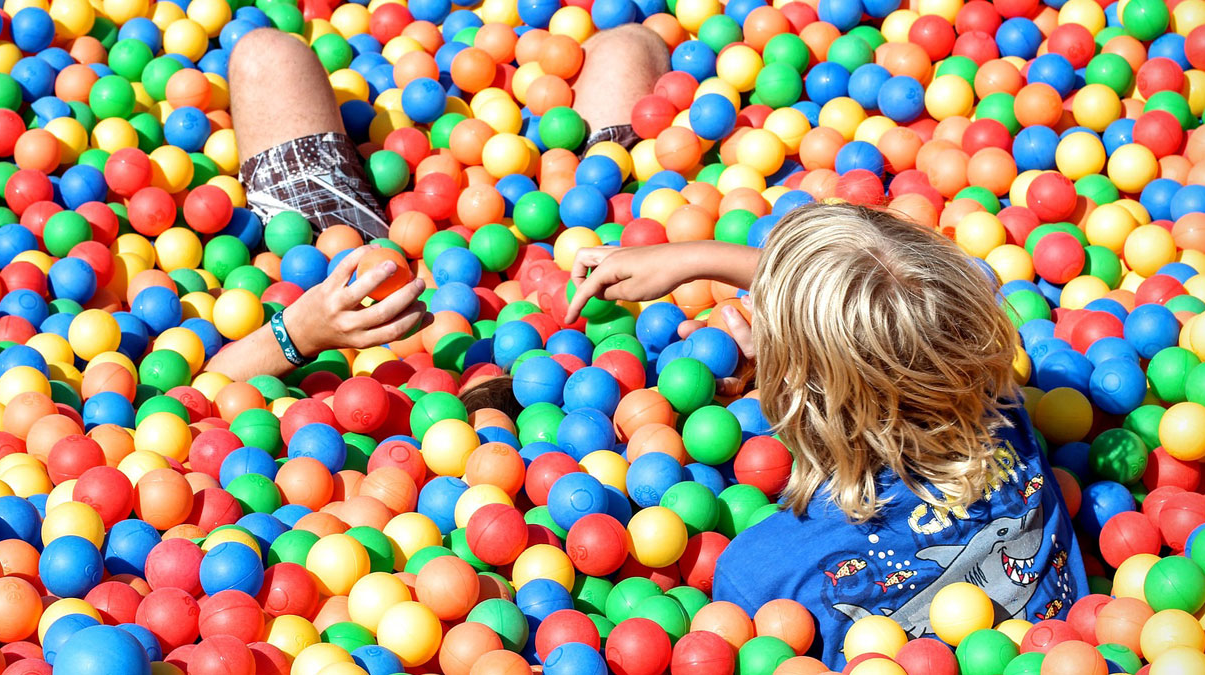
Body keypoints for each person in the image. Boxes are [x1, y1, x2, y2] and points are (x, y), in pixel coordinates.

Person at [565, 203, 1086, 668]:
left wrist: (703, 262)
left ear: (798, 399)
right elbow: (909, 305)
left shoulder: (763, 578)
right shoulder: (1000, 406)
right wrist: (704, 264)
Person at [201, 24, 670, 381]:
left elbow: (201, 394)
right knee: (632, 43)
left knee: (264, 53)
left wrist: (301, 329)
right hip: (575, 255)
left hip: (342, 281)